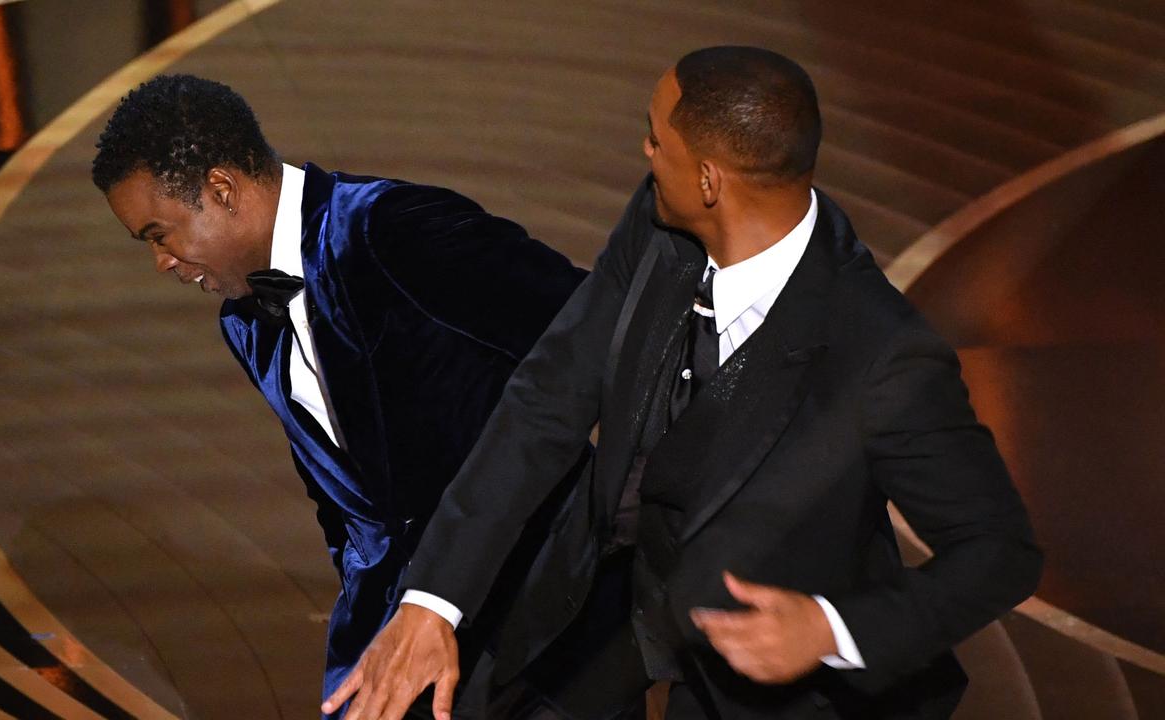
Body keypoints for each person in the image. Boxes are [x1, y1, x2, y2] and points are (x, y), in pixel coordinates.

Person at [325, 47, 1043, 720]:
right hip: (611, 599)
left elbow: (999, 551)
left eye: (655, 141)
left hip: (776, 683)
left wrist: (830, 628)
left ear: (709, 181)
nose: (644, 153)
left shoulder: (884, 357)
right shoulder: (658, 221)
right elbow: (546, 401)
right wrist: (431, 601)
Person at [91, 74, 587, 718]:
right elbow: (341, 502)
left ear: (220, 189)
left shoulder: (391, 230)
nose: (162, 261)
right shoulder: (244, 323)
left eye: (159, 234)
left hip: (542, 618)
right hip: (389, 636)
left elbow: (587, 330)